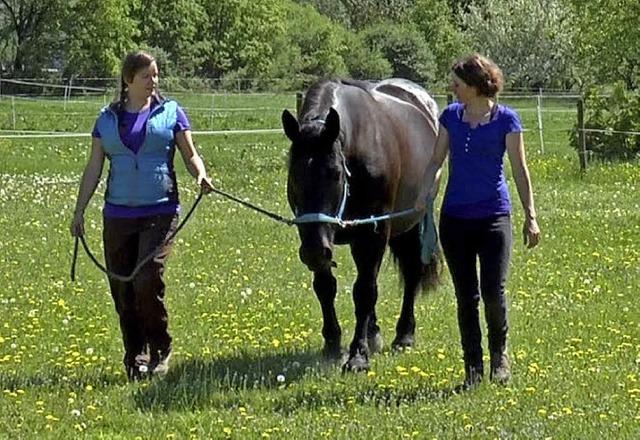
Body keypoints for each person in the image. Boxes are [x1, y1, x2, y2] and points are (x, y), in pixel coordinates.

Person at [70, 50, 214, 381]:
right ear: (128, 80)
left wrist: (200, 175)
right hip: (117, 214)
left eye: (156, 75)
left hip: (160, 210)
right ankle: (135, 355)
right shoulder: (106, 120)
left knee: (147, 279)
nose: (154, 81)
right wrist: (79, 211)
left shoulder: (171, 113)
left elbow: (190, 154)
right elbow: (93, 168)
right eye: (147, 75)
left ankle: (160, 348)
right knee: (122, 288)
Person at [422, 54, 541, 388]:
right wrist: (425, 192)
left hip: (494, 219)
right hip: (455, 220)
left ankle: (499, 357)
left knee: (492, 291)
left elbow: (519, 169)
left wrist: (530, 216)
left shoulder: (507, 120)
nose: (453, 88)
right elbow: (435, 161)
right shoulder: (450, 117)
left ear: (474, 85)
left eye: (458, 83)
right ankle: (473, 368)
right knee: (466, 297)